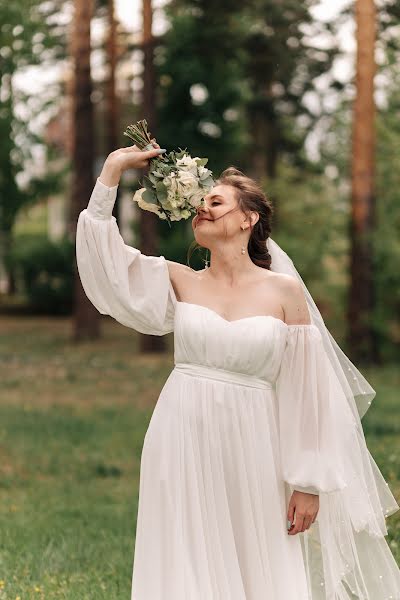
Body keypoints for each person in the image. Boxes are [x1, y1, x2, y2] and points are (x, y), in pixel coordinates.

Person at [75, 144, 400, 599]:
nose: (201, 210)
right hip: (181, 436)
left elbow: (307, 391)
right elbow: (104, 264)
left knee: (260, 561)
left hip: (256, 443)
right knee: (183, 557)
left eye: (216, 202)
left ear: (248, 219)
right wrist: (110, 172)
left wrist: (308, 482)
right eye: (199, 205)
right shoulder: (178, 280)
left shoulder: (284, 292)